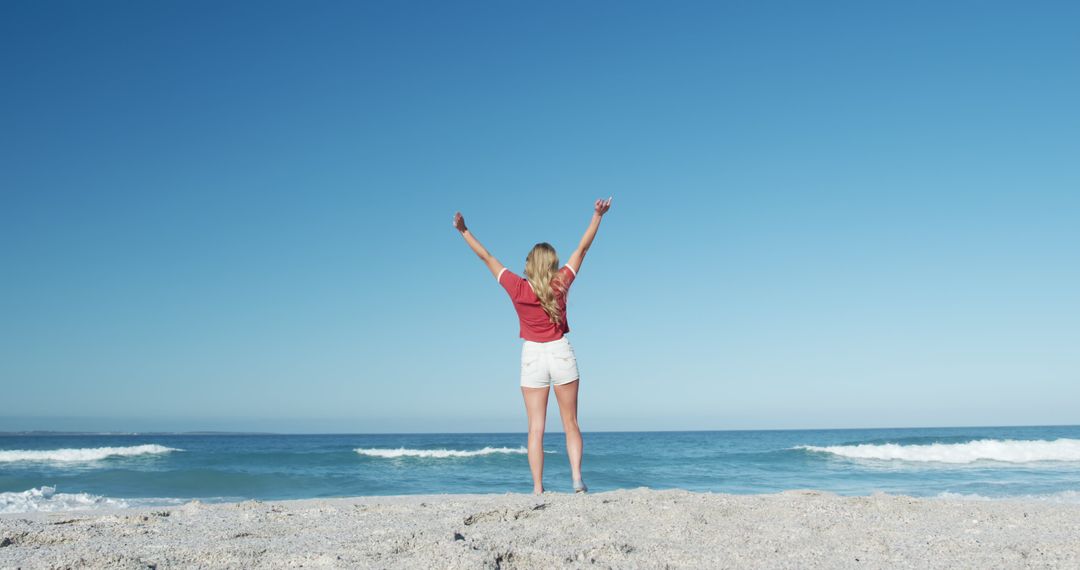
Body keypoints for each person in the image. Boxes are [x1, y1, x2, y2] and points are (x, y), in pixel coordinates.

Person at [453, 198, 613, 494]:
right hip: (560, 352)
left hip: (533, 357)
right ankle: (576, 479)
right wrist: (597, 216)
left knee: (536, 428)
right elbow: (583, 249)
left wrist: (464, 231)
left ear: (528, 264)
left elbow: (487, 257)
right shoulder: (561, 282)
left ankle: (538, 489)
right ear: (553, 263)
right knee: (571, 423)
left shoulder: (517, 287)